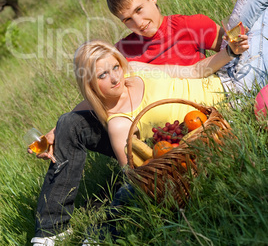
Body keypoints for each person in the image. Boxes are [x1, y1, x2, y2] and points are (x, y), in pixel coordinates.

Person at [30, 0, 268, 245]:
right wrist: (56, 133)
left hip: (214, 90)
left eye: (139, 11)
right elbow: (95, 95)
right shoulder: (123, 56)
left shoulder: (185, 28)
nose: (138, 23)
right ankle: (52, 231)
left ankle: (108, 221)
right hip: (163, 129)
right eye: (127, 19)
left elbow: (198, 67)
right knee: (70, 123)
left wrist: (233, 51)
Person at [73, 38, 249, 166]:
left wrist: (230, 52)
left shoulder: (134, 70)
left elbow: (194, 71)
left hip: (225, 74)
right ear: (90, 84)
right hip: (233, 99)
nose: (114, 78)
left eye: (115, 67)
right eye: (102, 75)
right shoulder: (119, 123)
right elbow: (135, 174)